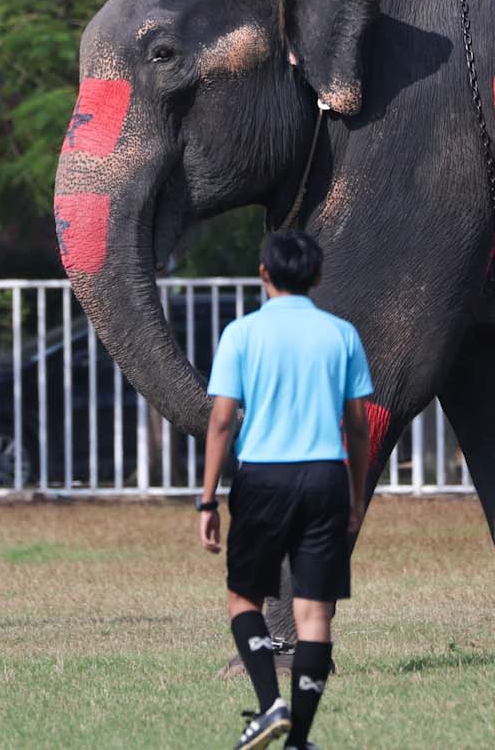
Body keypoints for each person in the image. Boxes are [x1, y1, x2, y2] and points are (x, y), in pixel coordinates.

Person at [197, 230, 373, 750]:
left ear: (263, 274)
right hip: (325, 477)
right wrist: (356, 496)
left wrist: (207, 499)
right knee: (314, 612)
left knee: (243, 596)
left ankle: (269, 703)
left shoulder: (242, 334)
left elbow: (223, 422)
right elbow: (358, 426)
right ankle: (300, 738)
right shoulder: (341, 334)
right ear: (317, 277)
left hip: (263, 478)